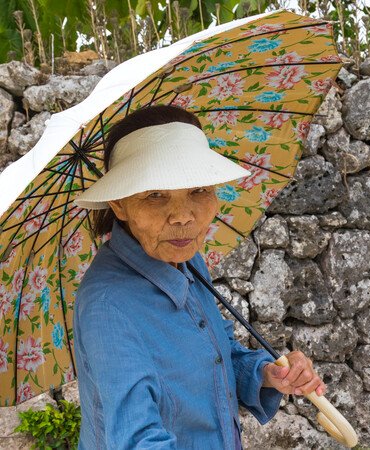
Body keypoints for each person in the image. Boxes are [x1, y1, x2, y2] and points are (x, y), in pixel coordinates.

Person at [73, 104, 326, 449]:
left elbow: (216, 357)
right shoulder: (108, 307)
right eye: (155, 194)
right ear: (119, 205)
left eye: (198, 190)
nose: (182, 216)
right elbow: (137, 440)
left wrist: (270, 375)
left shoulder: (187, 262)